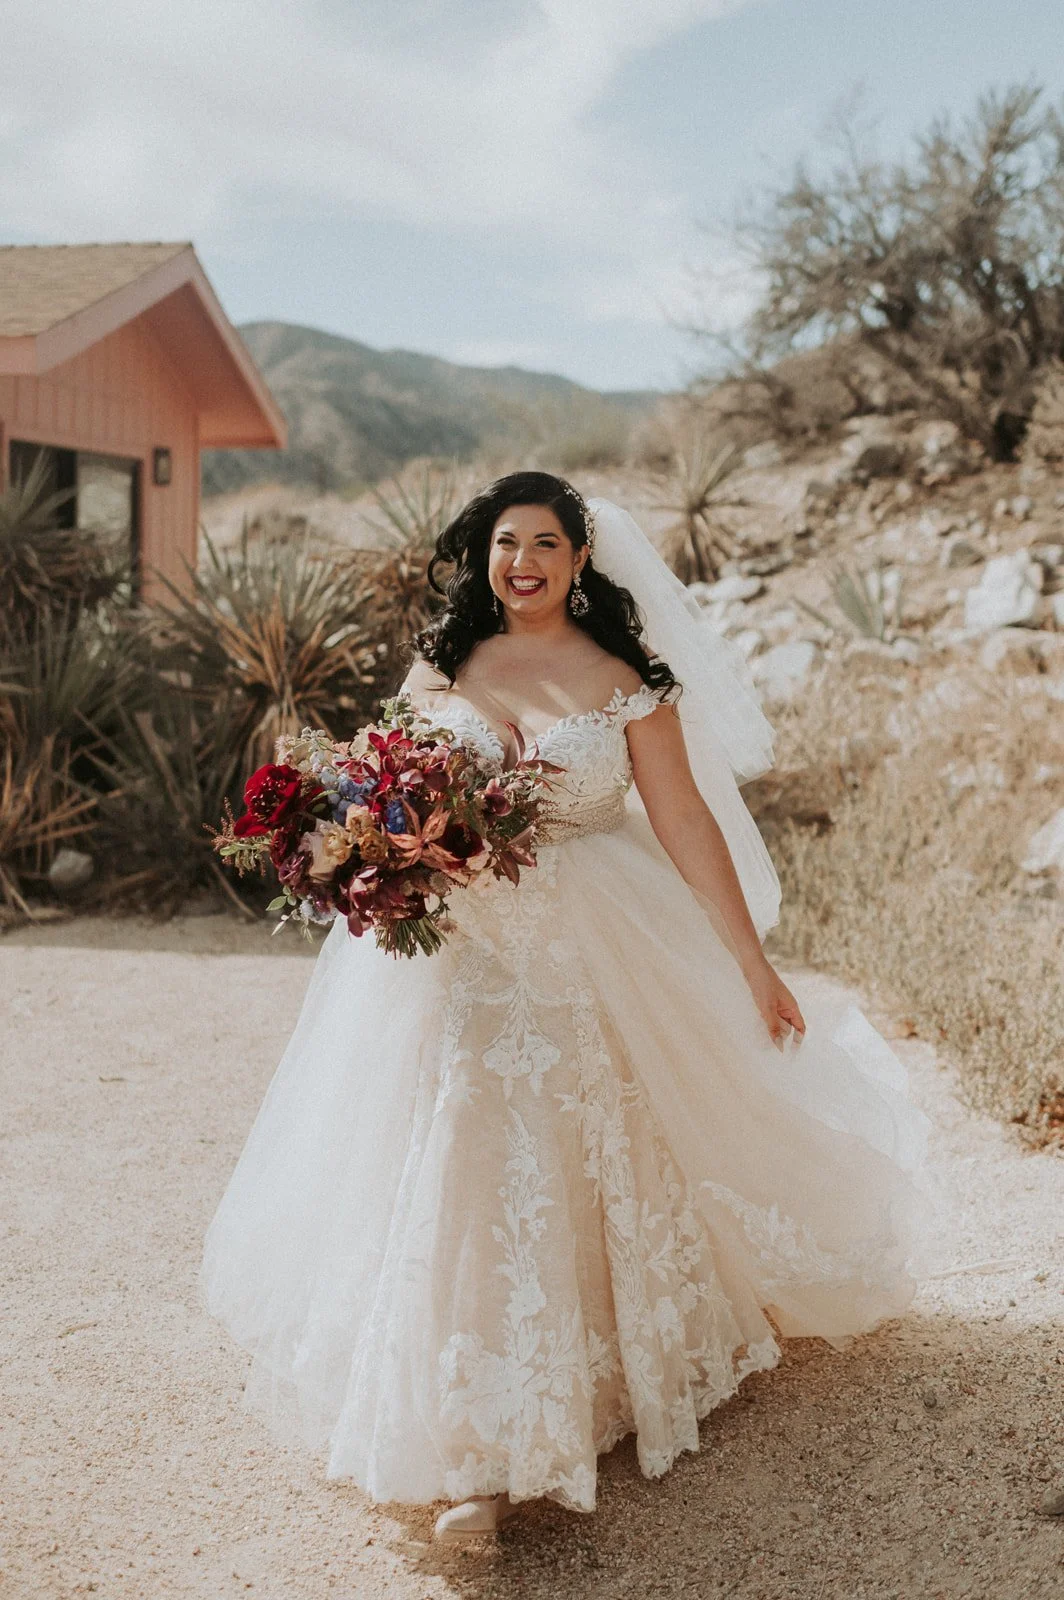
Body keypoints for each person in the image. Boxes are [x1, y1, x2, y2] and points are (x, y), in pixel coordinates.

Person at [200, 472, 936, 1542]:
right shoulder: (445, 663)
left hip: (593, 943)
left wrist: (749, 961)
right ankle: (467, 1448)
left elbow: (683, 822)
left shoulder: (626, 679)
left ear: (581, 560)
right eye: (507, 541)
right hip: (455, 952)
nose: (524, 560)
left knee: (579, 1152)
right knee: (454, 1150)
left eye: (546, 541)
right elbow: (379, 787)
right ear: (484, 555)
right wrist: (366, 853)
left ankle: (595, 1378)